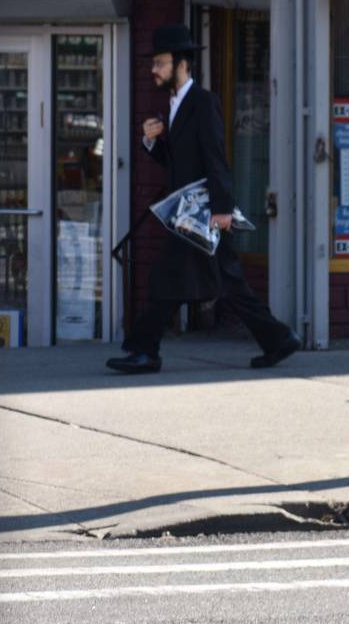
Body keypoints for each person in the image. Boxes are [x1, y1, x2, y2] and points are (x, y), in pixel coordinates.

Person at [107, 24, 300, 374]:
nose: (154, 70)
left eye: (161, 63)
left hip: (203, 214)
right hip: (190, 214)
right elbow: (178, 163)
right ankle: (278, 339)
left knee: (167, 282)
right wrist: (152, 142)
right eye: (154, 64)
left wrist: (223, 208)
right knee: (227, 283)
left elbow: (216, 157)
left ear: (182, 64)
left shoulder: (203, 102)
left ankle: (145, 351)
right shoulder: (175, 104)